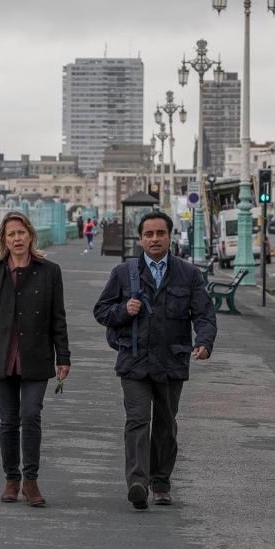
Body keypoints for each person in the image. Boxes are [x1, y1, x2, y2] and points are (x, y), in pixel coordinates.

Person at [93, 211, 217, 511]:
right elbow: (101, 311)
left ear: (170, 236)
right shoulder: (124, 272)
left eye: (160, 233)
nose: (155, 239)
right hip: (134, 362)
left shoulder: (188, 274)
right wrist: (125, 309)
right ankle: (137, 482)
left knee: (165, 424)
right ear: (141, 239)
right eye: (149, 234)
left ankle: (160, 482)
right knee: (137, 420)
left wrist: (204, 343)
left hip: (171, 361)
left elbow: (204, 315)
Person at [0, 212, 71, 507]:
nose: (16, 239)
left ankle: (31, 481)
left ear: (30, 235)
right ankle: (11, 480)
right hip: (1, 355)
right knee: (9, 420)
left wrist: (63, 356)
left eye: (21, 233)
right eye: (10, 234)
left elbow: (58, 318)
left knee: (30, 415)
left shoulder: (49, 271)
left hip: (35, 355)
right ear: (3, 240)